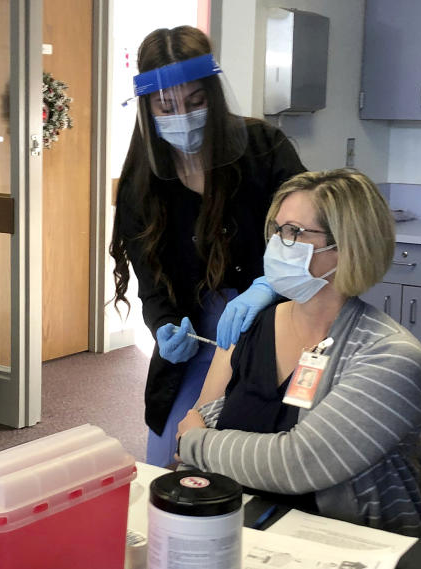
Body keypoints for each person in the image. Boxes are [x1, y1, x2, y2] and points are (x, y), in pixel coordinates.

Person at [176, 169, 421, 540]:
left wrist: (198, 445)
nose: (277, 244)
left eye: (293, 232)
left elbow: (297, 463)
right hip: (242, 531)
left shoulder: (391, 356)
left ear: (348, 246)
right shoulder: (253, 324)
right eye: (276, 230)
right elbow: (199, 423)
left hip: (342, 551)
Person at [110, 26, 305, 467]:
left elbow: (308, 232)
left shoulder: (264, 150)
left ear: (213, 96)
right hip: (195, 337)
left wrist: (268, 286)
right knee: (170, 462)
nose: (182, 115)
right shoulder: (143, 182)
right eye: (166, 106)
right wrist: (162, 326)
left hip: (274, 325)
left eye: (196, 102)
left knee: (253, 457)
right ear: (148, 108)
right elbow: (150, 281)